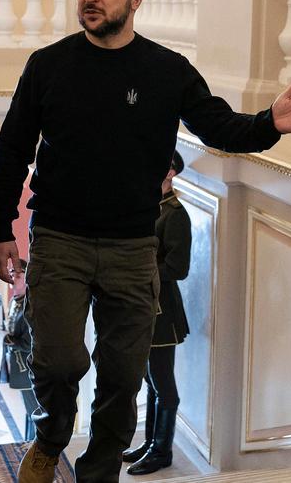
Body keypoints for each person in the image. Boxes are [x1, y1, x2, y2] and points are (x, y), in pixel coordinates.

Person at [0, 0, 291, 483]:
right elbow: (11, 150)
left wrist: (271, 122)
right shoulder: (48, 66)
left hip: (132, 247)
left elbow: (222, 128)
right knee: (58, 363)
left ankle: (98, 474)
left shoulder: (167, 71)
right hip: (60, 239)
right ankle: (53, 431)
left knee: (123, 381)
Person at [123, 152, 193, 476]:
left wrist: (141, 270)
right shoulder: (152, 208)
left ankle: (161, 451)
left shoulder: (175, 215)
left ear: (171, 172)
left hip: (162, 311)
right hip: (145, 304)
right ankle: (150, 442)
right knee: (151, 380)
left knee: (164, 384)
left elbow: (178, 268)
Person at [0, 258, 39, 441]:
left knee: (34, 412)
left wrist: (6, 338)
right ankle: (27, 443)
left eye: (18, 275)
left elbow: (29, 342)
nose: (13, 278)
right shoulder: (17, 301)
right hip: (20, 366)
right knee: (28, 410)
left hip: (29, 367)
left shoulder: (30, 305)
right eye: (11, 274)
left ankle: (34, 447)